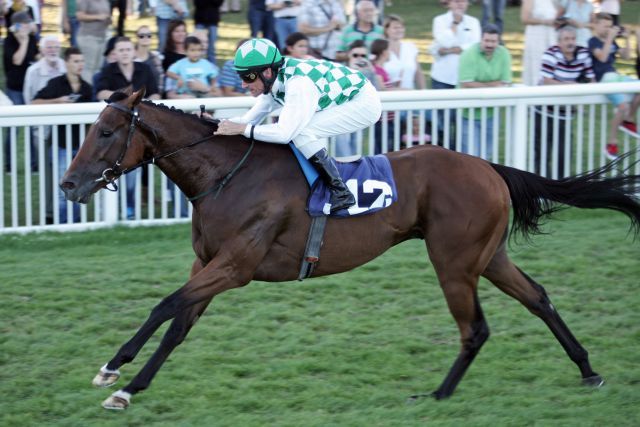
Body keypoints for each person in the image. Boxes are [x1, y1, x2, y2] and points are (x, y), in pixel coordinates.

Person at [213, 38, 382, 213]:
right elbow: (248, 120)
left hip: (364, 103)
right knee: (300, 131)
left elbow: (284, 133)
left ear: (267, 72)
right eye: (241, 77)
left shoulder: (298, 84)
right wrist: (213, 124)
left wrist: (243, 130)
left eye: (248, 77)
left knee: (301, 132)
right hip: (347, 94)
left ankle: (341, 192)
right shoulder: (275, 79)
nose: (243, 84)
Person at [95, 37, 160, 219]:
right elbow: (100, 92)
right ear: (115, 53)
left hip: (138, 128)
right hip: (115, 129)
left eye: (128, 49)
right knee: (110, 168)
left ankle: (130, 208)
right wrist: (126, 99)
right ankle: (110, 211)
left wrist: (140, 102)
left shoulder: (144, 69)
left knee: (132, 172)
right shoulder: (108, 71)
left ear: (133, 51)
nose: (124, 53)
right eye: (121, 50)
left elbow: (155, 92)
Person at [31, 47, 92, 224]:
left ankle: (76, 223)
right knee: (64, 189)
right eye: (75, 61)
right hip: (61, 146)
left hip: (81, 148)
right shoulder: (56, 84)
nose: (80, 64)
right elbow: (34, 102)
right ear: (66, 63)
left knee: (79, 188)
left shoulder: (87, 88)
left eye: (81, 61)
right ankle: (63, 224)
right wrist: (57, 102)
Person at [534, 25, 594, 177]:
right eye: (566, 39)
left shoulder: (583, 53)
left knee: (564, 151)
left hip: (565, 112)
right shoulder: (550, 53)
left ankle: (562, 184)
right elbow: (546, 80)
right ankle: (541, 184)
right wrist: (571, 86)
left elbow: (591, 79)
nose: (570, 42)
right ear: (559, 42)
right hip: (544, 109)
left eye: (573, 38)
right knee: (542, 150)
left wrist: (581, 87)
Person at [588, 12, 640, 159]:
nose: (607, 29)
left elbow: (627, 56)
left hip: (615, 76)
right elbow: (603, 58)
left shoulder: (611, 42)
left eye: (610, 26)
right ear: (596, 24)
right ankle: (611, 142)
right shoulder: (593, 41)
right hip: (604, 79)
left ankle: (628, 120)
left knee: (638, 87)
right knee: (622, 106)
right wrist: (611, 37)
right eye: (604, 26)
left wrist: (627, 37)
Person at [458, 24, 512, 159]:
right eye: (486, 40)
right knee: (470, 157)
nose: (490, 44)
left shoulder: (504, 53)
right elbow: (466, 83)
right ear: (481, 39)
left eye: (493, 41)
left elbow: (505, 82)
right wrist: (493, 85)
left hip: (492, 113)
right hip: (468, 113)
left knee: (487, 156)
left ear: (498, 41)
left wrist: (479, 85)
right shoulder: (469, 54)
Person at [2, 11, 37, 172]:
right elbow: (17, 60)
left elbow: (35, 58)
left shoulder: (31, 39)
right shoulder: (9, 41)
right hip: (15, 89)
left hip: (28, 89)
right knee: (14, 128)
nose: (28, 25)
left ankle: (33, 163)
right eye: (26, 23)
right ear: (17, 25)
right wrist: (23, 41)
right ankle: (8, 164)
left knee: (31, 127)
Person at [334, 39, 379, 157]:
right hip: (339, 119)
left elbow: (377, 91)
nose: (359, 58)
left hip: (359, 118)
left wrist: (371, 71)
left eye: (363, 55)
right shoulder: (339, 71)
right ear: (349, 56)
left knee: (356, 152)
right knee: (344, 154)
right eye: (355, 55)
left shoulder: (368, 72)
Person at [521, 0, 559, 86]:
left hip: (551, 36)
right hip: (536, 37)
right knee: (537, 65)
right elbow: (525, 19)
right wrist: (545, 21)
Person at [383, 14, 426, 90]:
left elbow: (418, 73)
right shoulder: (380, 49)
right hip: (388, 97)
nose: (399, 30)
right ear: (386, 30)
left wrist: (423, 91)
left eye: (401, 27)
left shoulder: (410, 47)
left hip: (410, 96)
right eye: (395, 28)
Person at [23, 35, 65, 105]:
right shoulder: (33, 71)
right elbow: (28, 97)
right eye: (49, 47)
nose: (53, 50)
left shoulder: (66, 67)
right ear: (42, 50)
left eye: (56, 47)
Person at [76, 0, 111, 83]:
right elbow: (79, 16)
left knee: (98, 66)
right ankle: (87, 91)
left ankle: (95, 90)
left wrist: (108, 20)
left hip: (102, 37)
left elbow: (106, 16)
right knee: (88, 66)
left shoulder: (105, 2)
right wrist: (98, 17)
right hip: (88, 37)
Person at [133, 25, 164, 97]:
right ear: (136, 37)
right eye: (141, 36)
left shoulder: (156, 57)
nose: (145, 38)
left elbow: (160, 79)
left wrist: (158, 96)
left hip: (154, 98)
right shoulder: (130, 58)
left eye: (148, 35)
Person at [193, 0, 224, 64]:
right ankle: (197, 64)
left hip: (213, 20)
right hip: (200, 20)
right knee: (197, 45)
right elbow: (198, 3)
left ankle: (213, 67)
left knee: (211, 48)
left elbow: (218, 3)